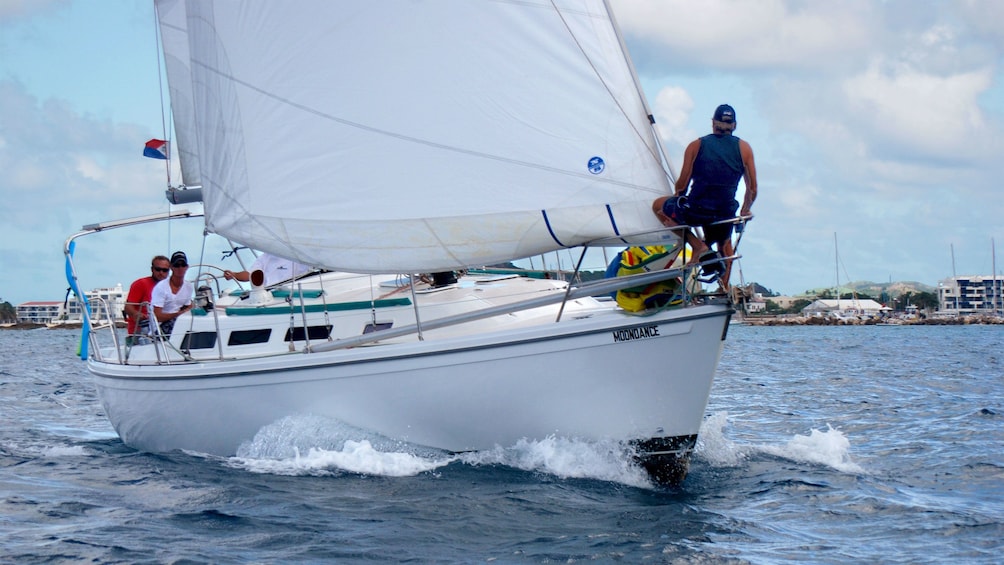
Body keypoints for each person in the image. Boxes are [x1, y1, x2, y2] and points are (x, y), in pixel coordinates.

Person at [653, 103, 757, 289]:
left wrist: (678, 196)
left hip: (697, 212)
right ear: (734, 125)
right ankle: (723, 289)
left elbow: (682, 184)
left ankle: (696, 245)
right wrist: (745, 209)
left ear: (713, 123)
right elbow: (752, 190)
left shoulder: (696, 146)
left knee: (659, 206)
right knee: (725, 243)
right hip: (725, 214)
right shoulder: (744, 149)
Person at [123, 255, 170, 345]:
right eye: (158, 269)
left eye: (165, 270)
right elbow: (128, 306)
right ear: (152, 269)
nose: (161, 272)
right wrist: (136, 314)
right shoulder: (141, 284)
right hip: (142, 331)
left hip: (165, 330)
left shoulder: (171, 287)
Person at [151, 251, 195, 336]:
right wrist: (178, 314)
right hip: (160, 327)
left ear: (187, 267)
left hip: (179, 321)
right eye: (176, 265)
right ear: (171, 267)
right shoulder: (161, 287)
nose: (180, 268)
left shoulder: (188, 286)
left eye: (183, 265)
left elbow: (187, 306)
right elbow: (157, 316)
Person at [223, 252, 310, 287]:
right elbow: (250, 274)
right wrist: (234, 275)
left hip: (294, 292)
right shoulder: (266, 256)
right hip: (269, 296)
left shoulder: (301, 254)